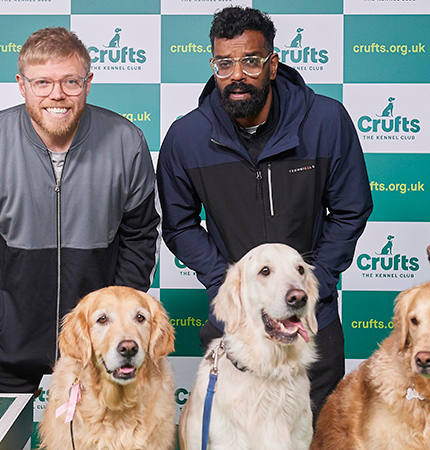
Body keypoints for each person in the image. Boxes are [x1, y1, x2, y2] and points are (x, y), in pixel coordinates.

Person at [157, 6, 372, 423]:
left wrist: (316, 282)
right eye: (224, 63)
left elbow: (351, 209)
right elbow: (179, 225)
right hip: (234, 327)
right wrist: (228, 284)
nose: (237, 74)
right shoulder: (186, 136)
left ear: (272, 64)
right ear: (214, 66)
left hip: (312, 322)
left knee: (317, 436)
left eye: (250, 61)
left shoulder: (326, 120)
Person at [0, 27, 159, 393]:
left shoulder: (126, 141)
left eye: (70, 82)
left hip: (97, 348)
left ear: (88, 83)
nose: (57, 94)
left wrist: (113, 318)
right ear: (22, 85)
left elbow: (141, 235)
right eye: (42, 82)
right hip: (3, 343)